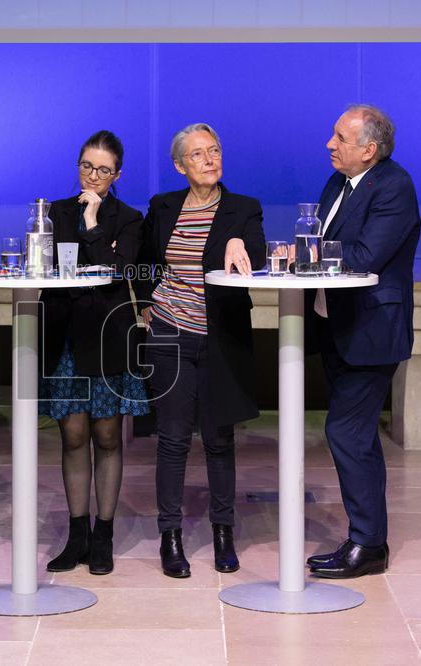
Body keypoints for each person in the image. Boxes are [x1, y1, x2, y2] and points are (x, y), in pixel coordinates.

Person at [139, 123, 265, 578]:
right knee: (172, 439)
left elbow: (257, 252)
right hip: (170, 334)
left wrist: (237, 240)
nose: (210, 159)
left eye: (215, 150)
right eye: (198, 154)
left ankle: (223, 533)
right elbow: (143, 258)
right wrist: (144, 306)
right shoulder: (164, 206)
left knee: (218, 439)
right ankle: (170, 537)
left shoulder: (243, 208)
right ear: (180, 166)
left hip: (220, 338)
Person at [305, 105, 421, 579]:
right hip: (337, 327)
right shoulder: (338, 182)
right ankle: (369, 539)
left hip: (372, 331)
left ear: (369, 150)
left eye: (340, 138)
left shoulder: (393, 185)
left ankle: (368, 544)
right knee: (359, 438)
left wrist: (305, 251)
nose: (330, 145)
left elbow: (366, 255)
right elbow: (320, 239)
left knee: (345, 432)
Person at [39, 130, 147, 575]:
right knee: (73, 435)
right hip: (65, 334)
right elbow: (52, 267)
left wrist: (95, 224)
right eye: (87, 166)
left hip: (108, 335)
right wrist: (92, 238)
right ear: (77, 166)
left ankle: (104, 533)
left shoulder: (129, 217)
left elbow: (119, 271)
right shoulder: (56, 212)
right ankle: (77, 531)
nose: (94, 175)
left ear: (116, 174)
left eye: (103, 170)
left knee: (107, 435)